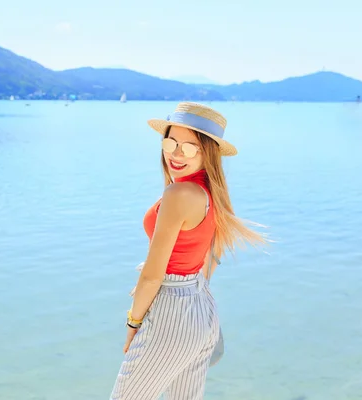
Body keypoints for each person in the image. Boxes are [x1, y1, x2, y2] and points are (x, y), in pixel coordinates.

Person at [109, 102, 266, 400]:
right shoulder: (212, 193)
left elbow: (153, 277)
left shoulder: (179, 194)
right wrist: (186, 281)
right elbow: (212, 256)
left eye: (190, 148)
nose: (176, 154)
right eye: (170, 142)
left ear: (208, 152)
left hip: (170, 312)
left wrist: (134, 323)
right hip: (201, 309)